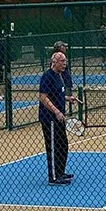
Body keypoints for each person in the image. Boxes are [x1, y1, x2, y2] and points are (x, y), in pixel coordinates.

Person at [38, 51, 77, 185]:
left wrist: (67, 98)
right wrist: (56, 112)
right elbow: (43, 97)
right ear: (54, 62)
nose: (64, 63)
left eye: (65, 61)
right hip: (50, 118)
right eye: (61, 61)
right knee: (53, 147)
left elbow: (56, 94)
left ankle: (60, 172)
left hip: (59, 118)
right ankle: (53, 177)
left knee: (63, 145)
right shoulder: (47, 76)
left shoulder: (60, 76)